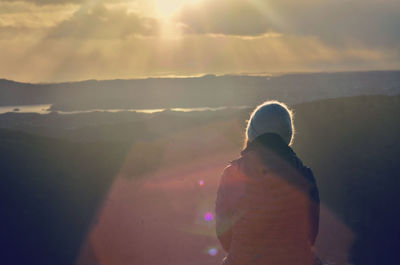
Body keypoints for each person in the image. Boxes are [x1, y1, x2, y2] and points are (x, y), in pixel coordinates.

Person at [215, 101, 320, 265]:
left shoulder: (232, 174)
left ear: (251, 133)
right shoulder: (305, 176)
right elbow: (311, 236)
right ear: (288, 135)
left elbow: (224, 237)